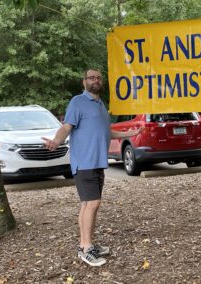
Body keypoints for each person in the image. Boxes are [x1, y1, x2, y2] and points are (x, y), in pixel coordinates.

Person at [41, 69, 141, 267]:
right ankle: (86, 249)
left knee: (88, 205)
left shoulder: (100, 105)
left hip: (98, 163)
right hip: (84, 162)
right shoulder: (78, 102)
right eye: (91, 78)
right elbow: (67, 127)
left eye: (98, 78)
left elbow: (106, 132)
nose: (96, 80)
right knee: (93, 204)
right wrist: (55, 141)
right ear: (84, 81)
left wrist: (130, 133)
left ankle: (86, 244)